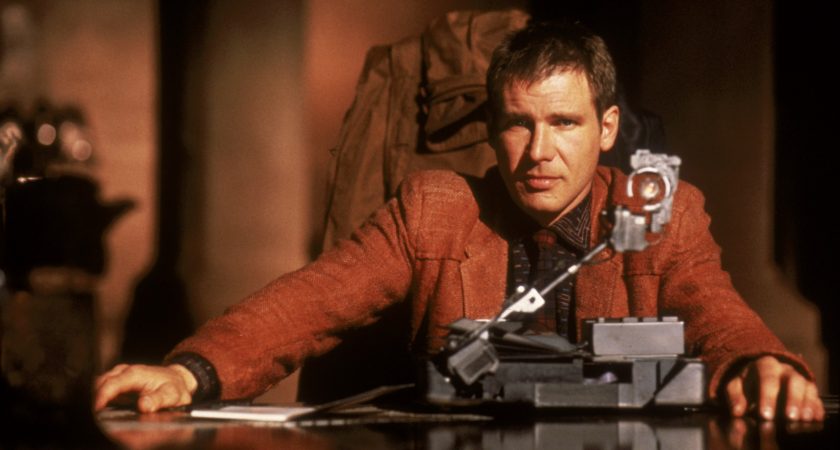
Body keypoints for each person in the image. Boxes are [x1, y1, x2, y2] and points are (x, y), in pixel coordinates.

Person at [95, 21, 824, 422]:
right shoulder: (438, 209)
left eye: (564, 124)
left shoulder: (658, 209)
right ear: (494, 129)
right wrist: (193, 370)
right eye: (517, 124)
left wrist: (760, 364)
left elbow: (715, 311)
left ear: (606, 129)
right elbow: (313, 300)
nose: (538, 152)